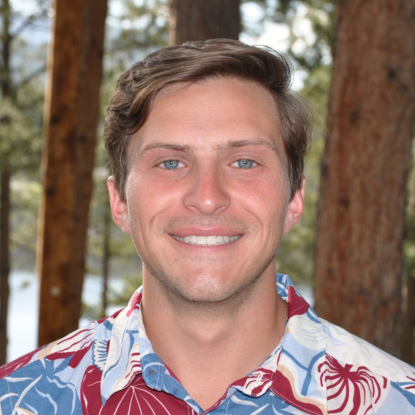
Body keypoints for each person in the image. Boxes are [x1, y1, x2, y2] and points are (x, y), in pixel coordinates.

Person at [1, 39, 414, 415]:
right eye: (170, 163)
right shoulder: (16, 400)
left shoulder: (397, 402)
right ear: (120, 202)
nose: (208, 197)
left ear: (294, 200)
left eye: (245, 162)